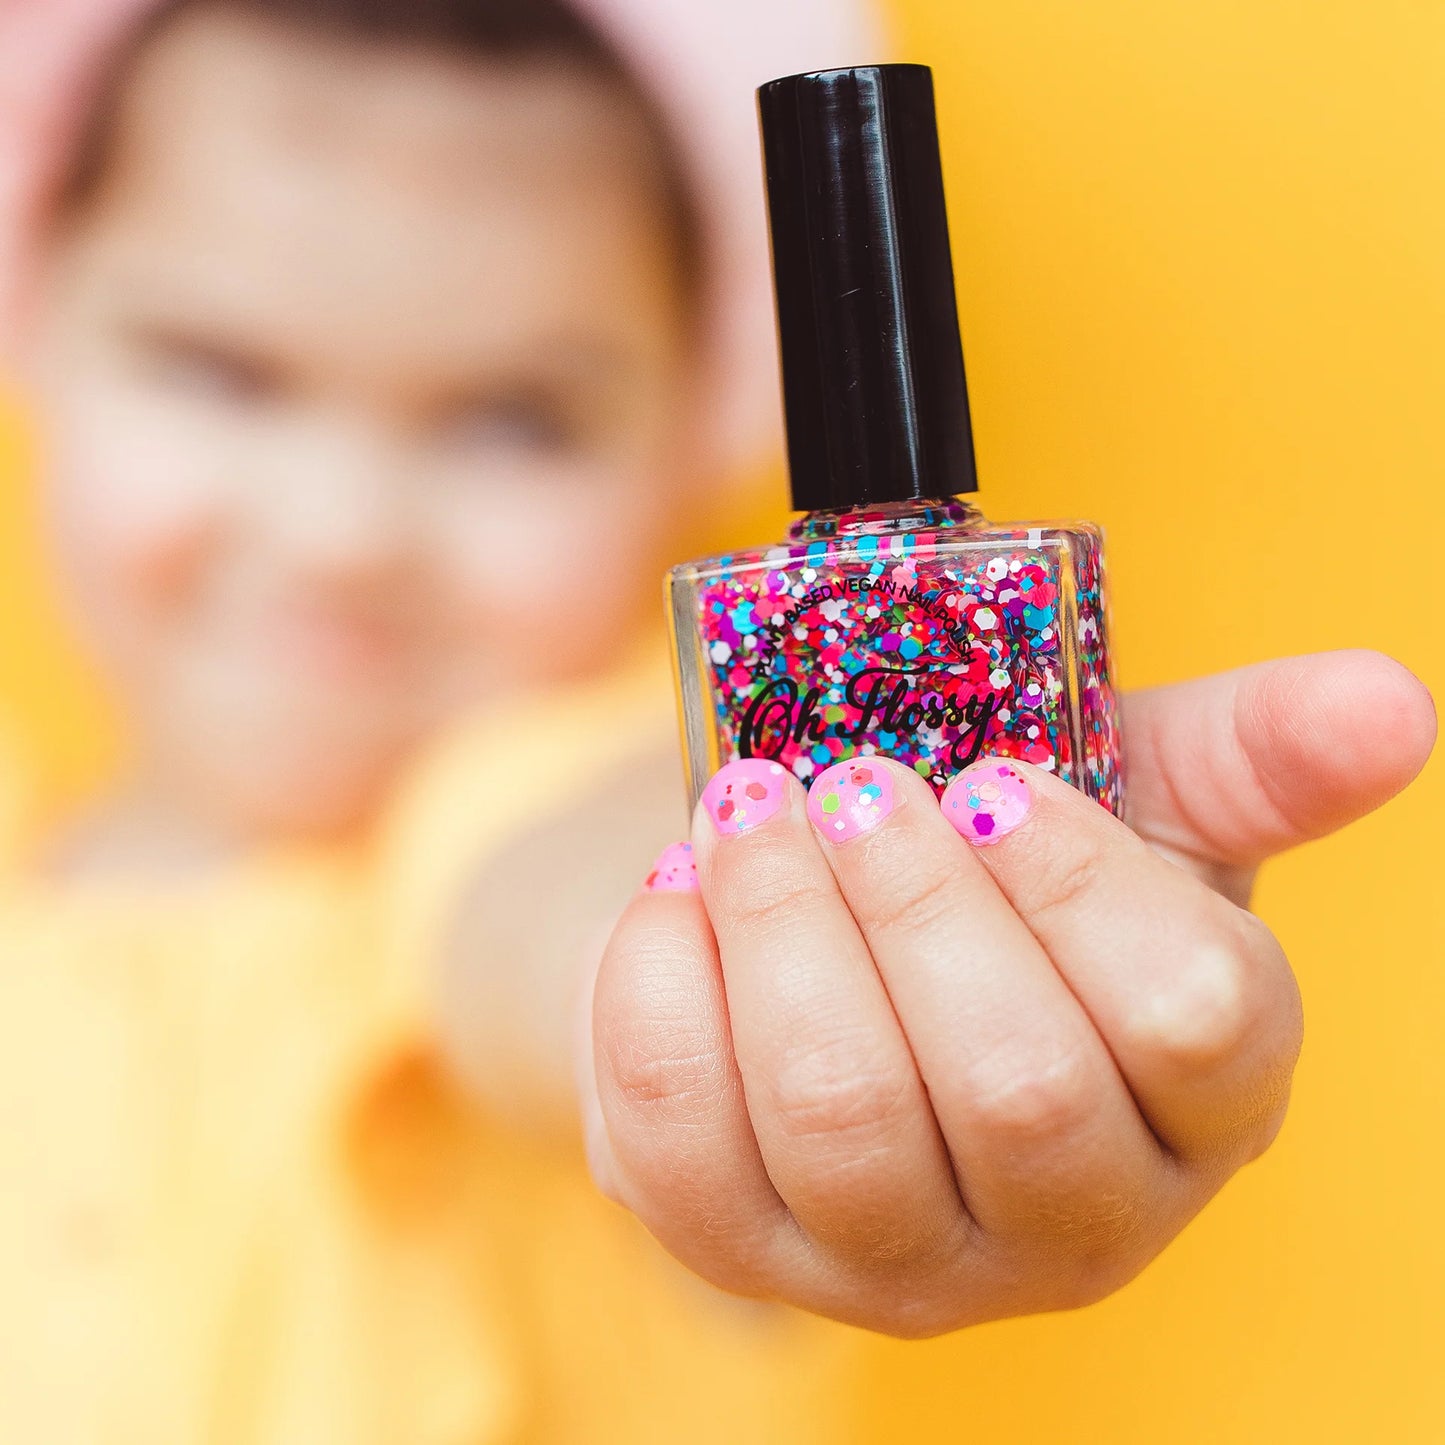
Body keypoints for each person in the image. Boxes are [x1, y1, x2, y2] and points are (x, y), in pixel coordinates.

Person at [0, 0, 1434, 1438]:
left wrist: (790, 1001)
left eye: (516, 417)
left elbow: (578, 906)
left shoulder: (546, 804)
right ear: (40, 315)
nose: (342, 535)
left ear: (700, 420)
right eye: (218, 368)